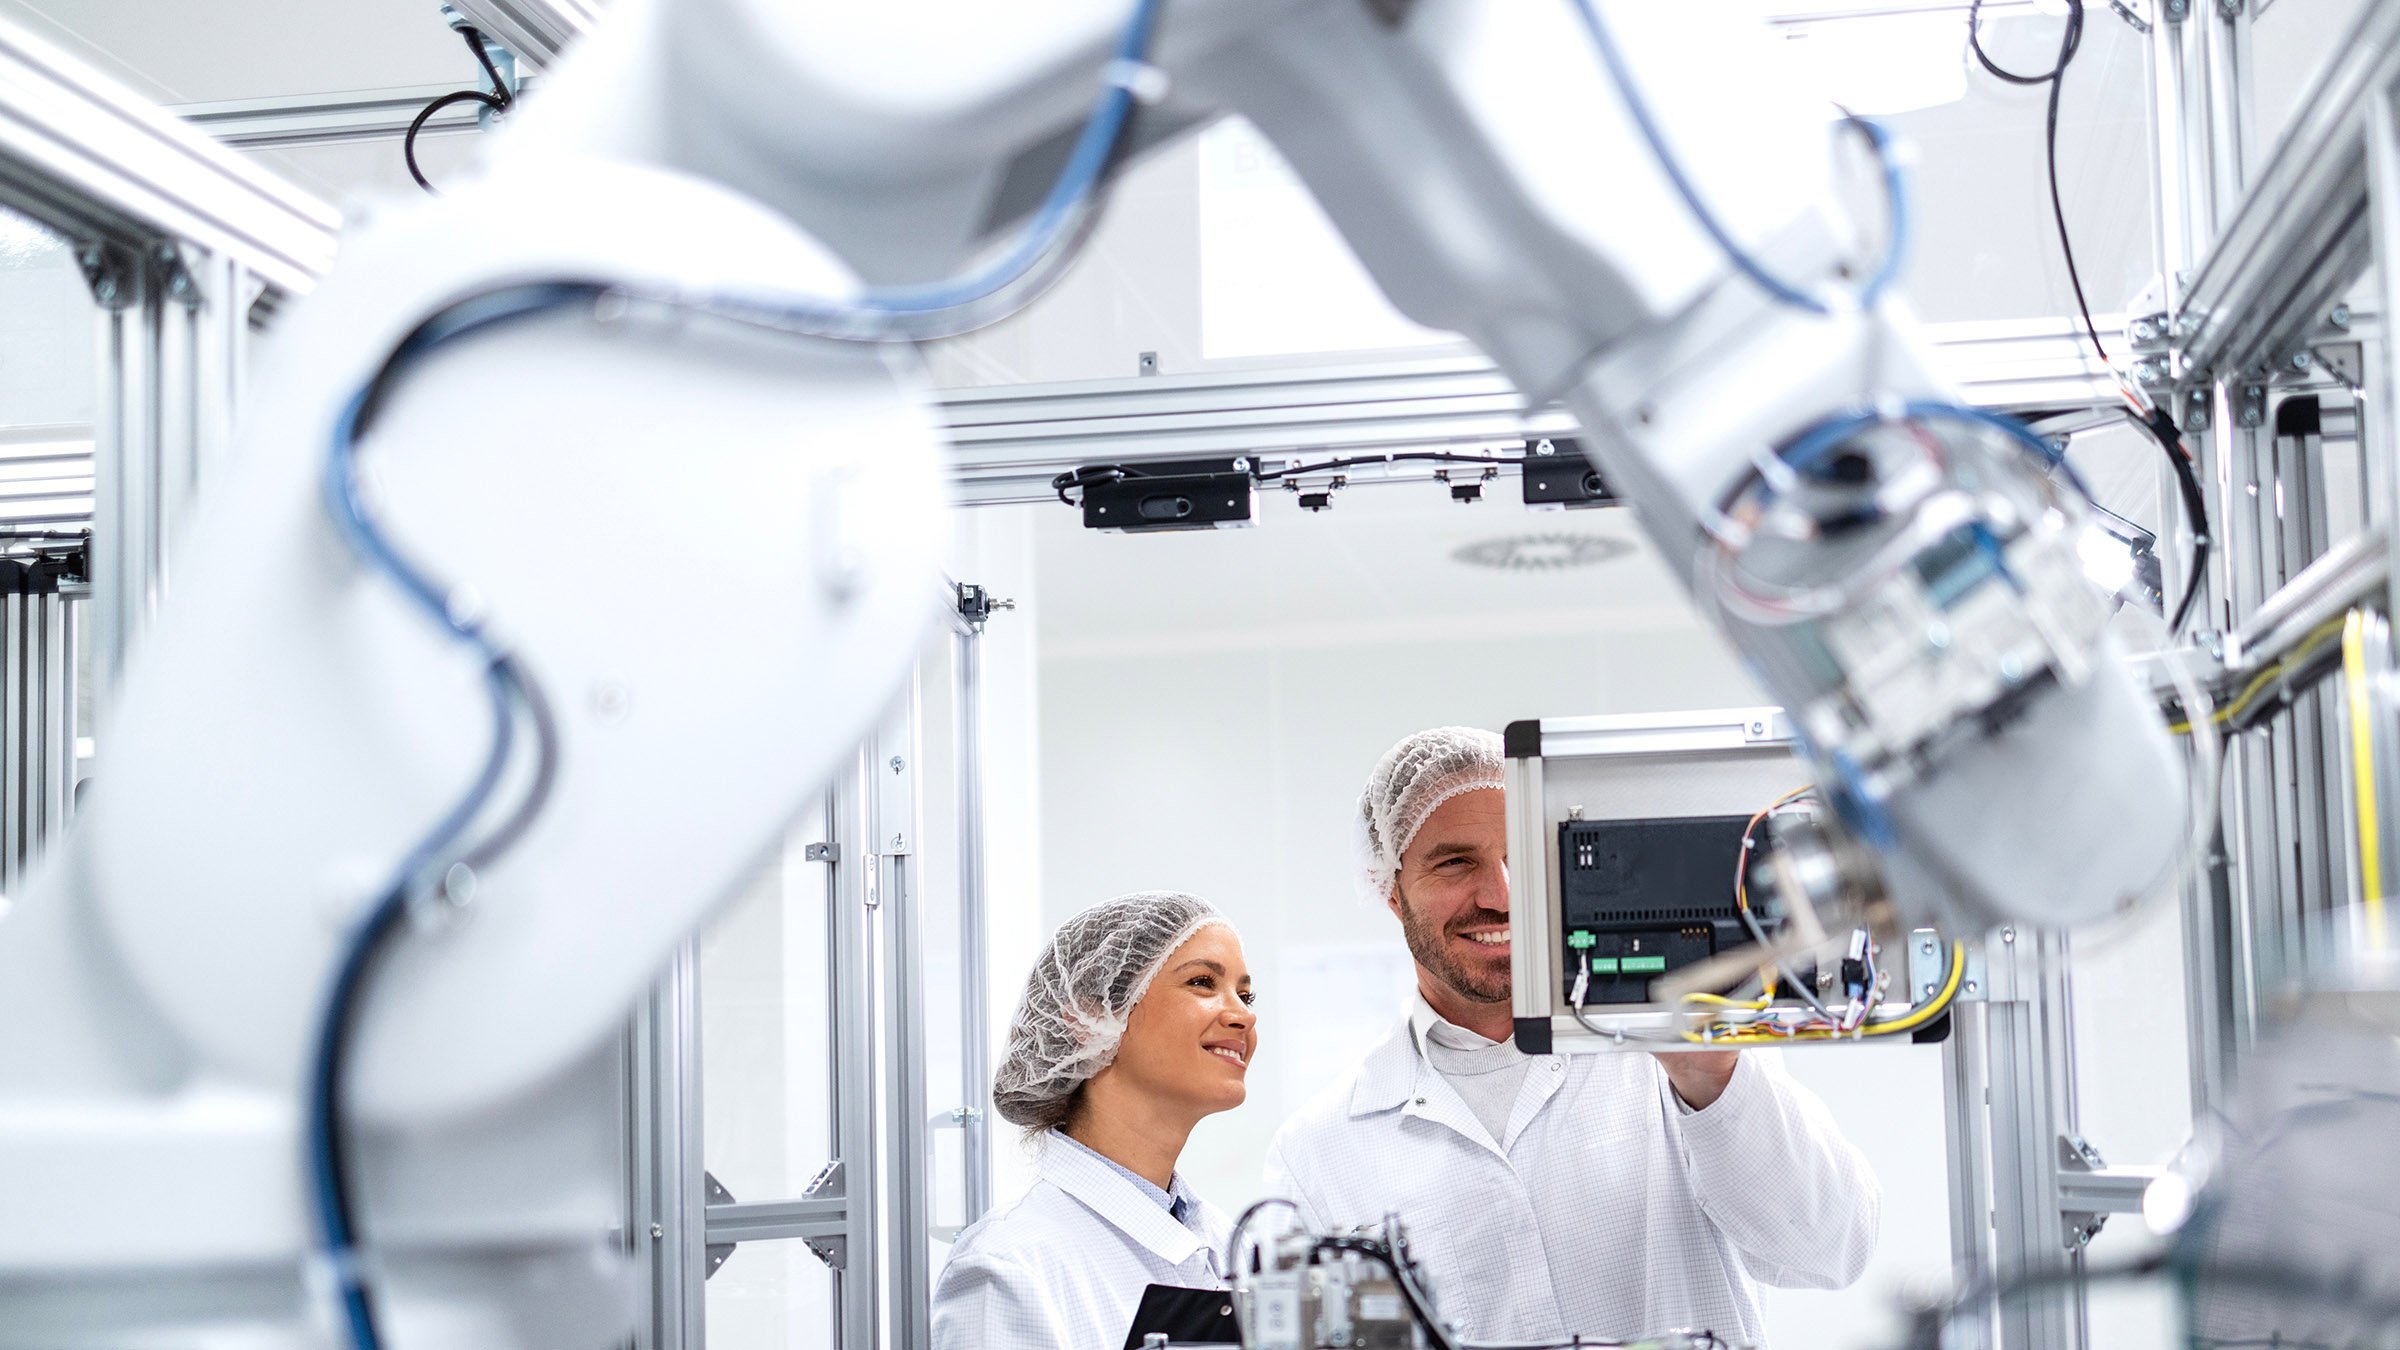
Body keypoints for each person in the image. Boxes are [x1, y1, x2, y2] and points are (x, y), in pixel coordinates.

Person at [1264, 728, 1879, 1349]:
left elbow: (1831, 1250)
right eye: (1456, 862)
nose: (1500, 895)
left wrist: (1713, 1080)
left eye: (1521, 859)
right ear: (1391, 891)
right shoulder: (1320, 1151)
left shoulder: (1677, 1053)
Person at [933, 891, 1257, 1350]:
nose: (1244, 1014)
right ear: (1091, 1016)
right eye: (1203, 982)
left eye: (1246, 994)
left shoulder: (1227, 1242)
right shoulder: (1008, 1267)